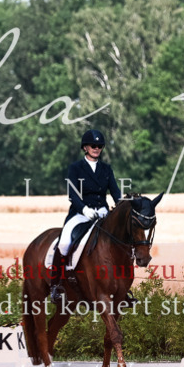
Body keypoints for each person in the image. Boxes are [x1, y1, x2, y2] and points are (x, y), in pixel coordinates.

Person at [49, 129, 121, 303]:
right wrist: (85, 209)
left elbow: (115, 192)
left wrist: (121, 207)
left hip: (103, 213)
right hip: (81, 213)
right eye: (93, 145)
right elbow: (73, 195)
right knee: (65, 242)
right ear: (85, 148)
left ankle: (122, 287)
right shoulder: (75, 168)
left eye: (100, 146)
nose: (97, 148)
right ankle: (56, 285)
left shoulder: (106, 169)